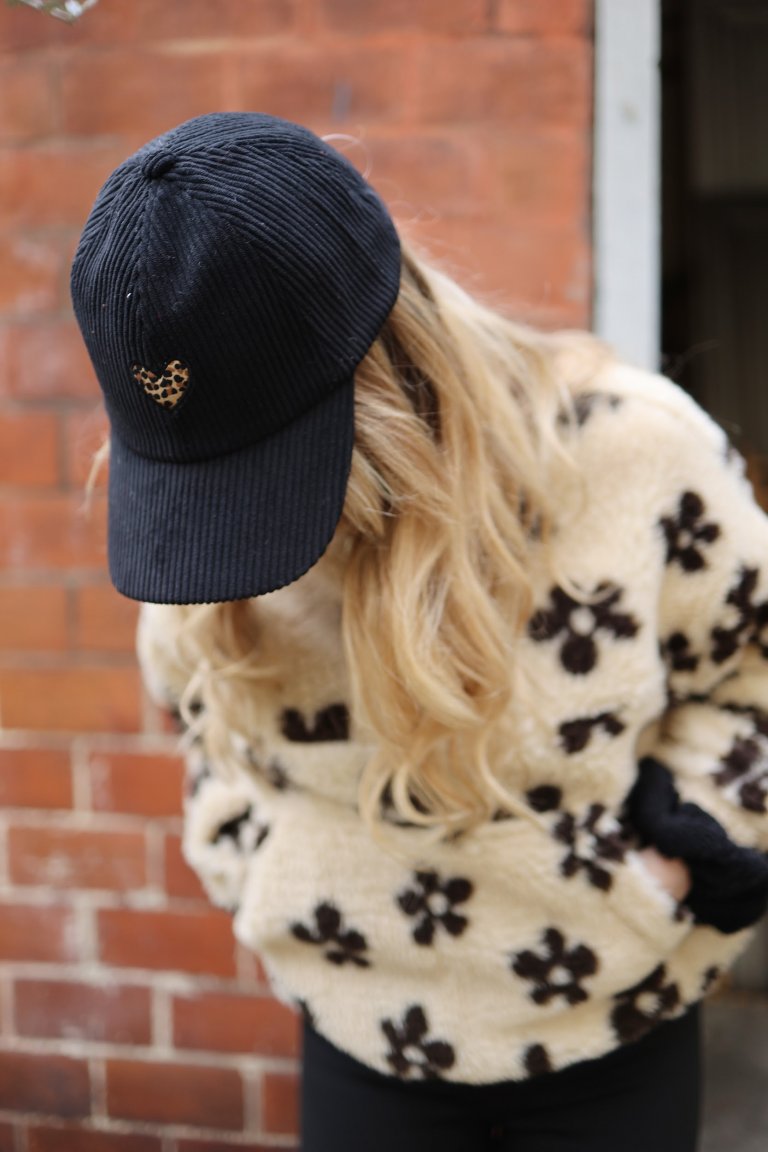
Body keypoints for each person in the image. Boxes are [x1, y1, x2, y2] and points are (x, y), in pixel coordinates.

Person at [71, 112, 768, 1152]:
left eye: (265, 472)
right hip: (358, 1031)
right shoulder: (197, 515)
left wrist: (680, 856)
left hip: (609, 1032)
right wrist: (259, 867)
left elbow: (754, 673)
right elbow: (196, 717)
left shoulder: (632, 457)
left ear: (384, 372)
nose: (232, 527)